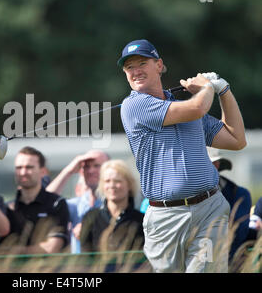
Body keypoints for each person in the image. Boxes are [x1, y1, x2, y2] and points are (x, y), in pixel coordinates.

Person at [118, 39, 246, 273]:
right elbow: (196, 108)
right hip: (165, 217)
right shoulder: (133, 106)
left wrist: (224, 91)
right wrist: (207, 88)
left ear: (159, 65)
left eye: (142, 63)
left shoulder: (186, 106)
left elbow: (236, 140)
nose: (135, 71)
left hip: (209, 210)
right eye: (129, 67)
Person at [4, 146, 70, 254]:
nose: (23, 172)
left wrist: (17, 252)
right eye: (19, 167)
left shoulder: (56, 204)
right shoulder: (8, 207)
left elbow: (53, 247)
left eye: (29, 167)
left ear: (43, 171)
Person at [46, 150, 110, 253]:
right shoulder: (77, 204)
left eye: (97, 166)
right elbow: (44, 202)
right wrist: (68, 171)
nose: (90, 171)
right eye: (86, 167)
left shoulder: (116, 201)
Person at [80, 159, 144, 253]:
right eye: (107, 181)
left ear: (129, 184)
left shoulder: (141, 220)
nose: (112, 185)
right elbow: (85, 257)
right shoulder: (91, 218)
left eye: (117, 181)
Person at [207, 147, 252, 261]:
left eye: (214, 163)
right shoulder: (186, 197)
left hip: (230, 260)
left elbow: (238, 232)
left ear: (217, 165)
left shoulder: (240, 194)